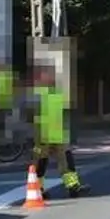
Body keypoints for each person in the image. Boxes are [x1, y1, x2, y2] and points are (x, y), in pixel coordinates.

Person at [31, 62, 84, 197]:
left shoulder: (54, 90)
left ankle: (72, 186)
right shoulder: (39, 93)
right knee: (42, 161)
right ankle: (38, 189)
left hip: (55, 130)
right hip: (44, 130)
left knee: (65, 158)